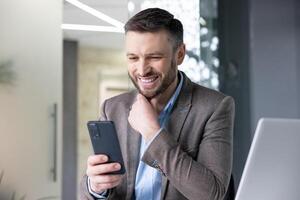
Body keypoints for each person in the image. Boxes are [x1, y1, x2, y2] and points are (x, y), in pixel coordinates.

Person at [80, 8, 235, 200]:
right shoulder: (113, 108)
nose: (142, 70)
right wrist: (95, 186)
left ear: (179, 54)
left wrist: (153, 133)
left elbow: (212, 194)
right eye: (133, 58)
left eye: (154, 57)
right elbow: (94, 189)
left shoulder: (215, 107)